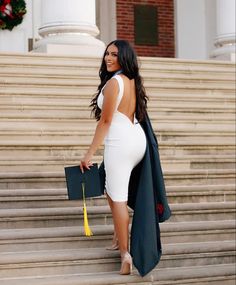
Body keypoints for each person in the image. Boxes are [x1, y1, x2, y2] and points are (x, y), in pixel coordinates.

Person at [80, 39, 148, 275]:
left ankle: (125, 255)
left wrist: (89, 154)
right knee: (112, 190)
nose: (108, 58)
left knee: (117, 197)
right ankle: (119, 238)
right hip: (136, 138)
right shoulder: (131, 80)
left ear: (124, 57)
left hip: (120, 143)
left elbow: (106, 121)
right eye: (107, 53)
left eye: (114, 55)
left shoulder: (113, 84)